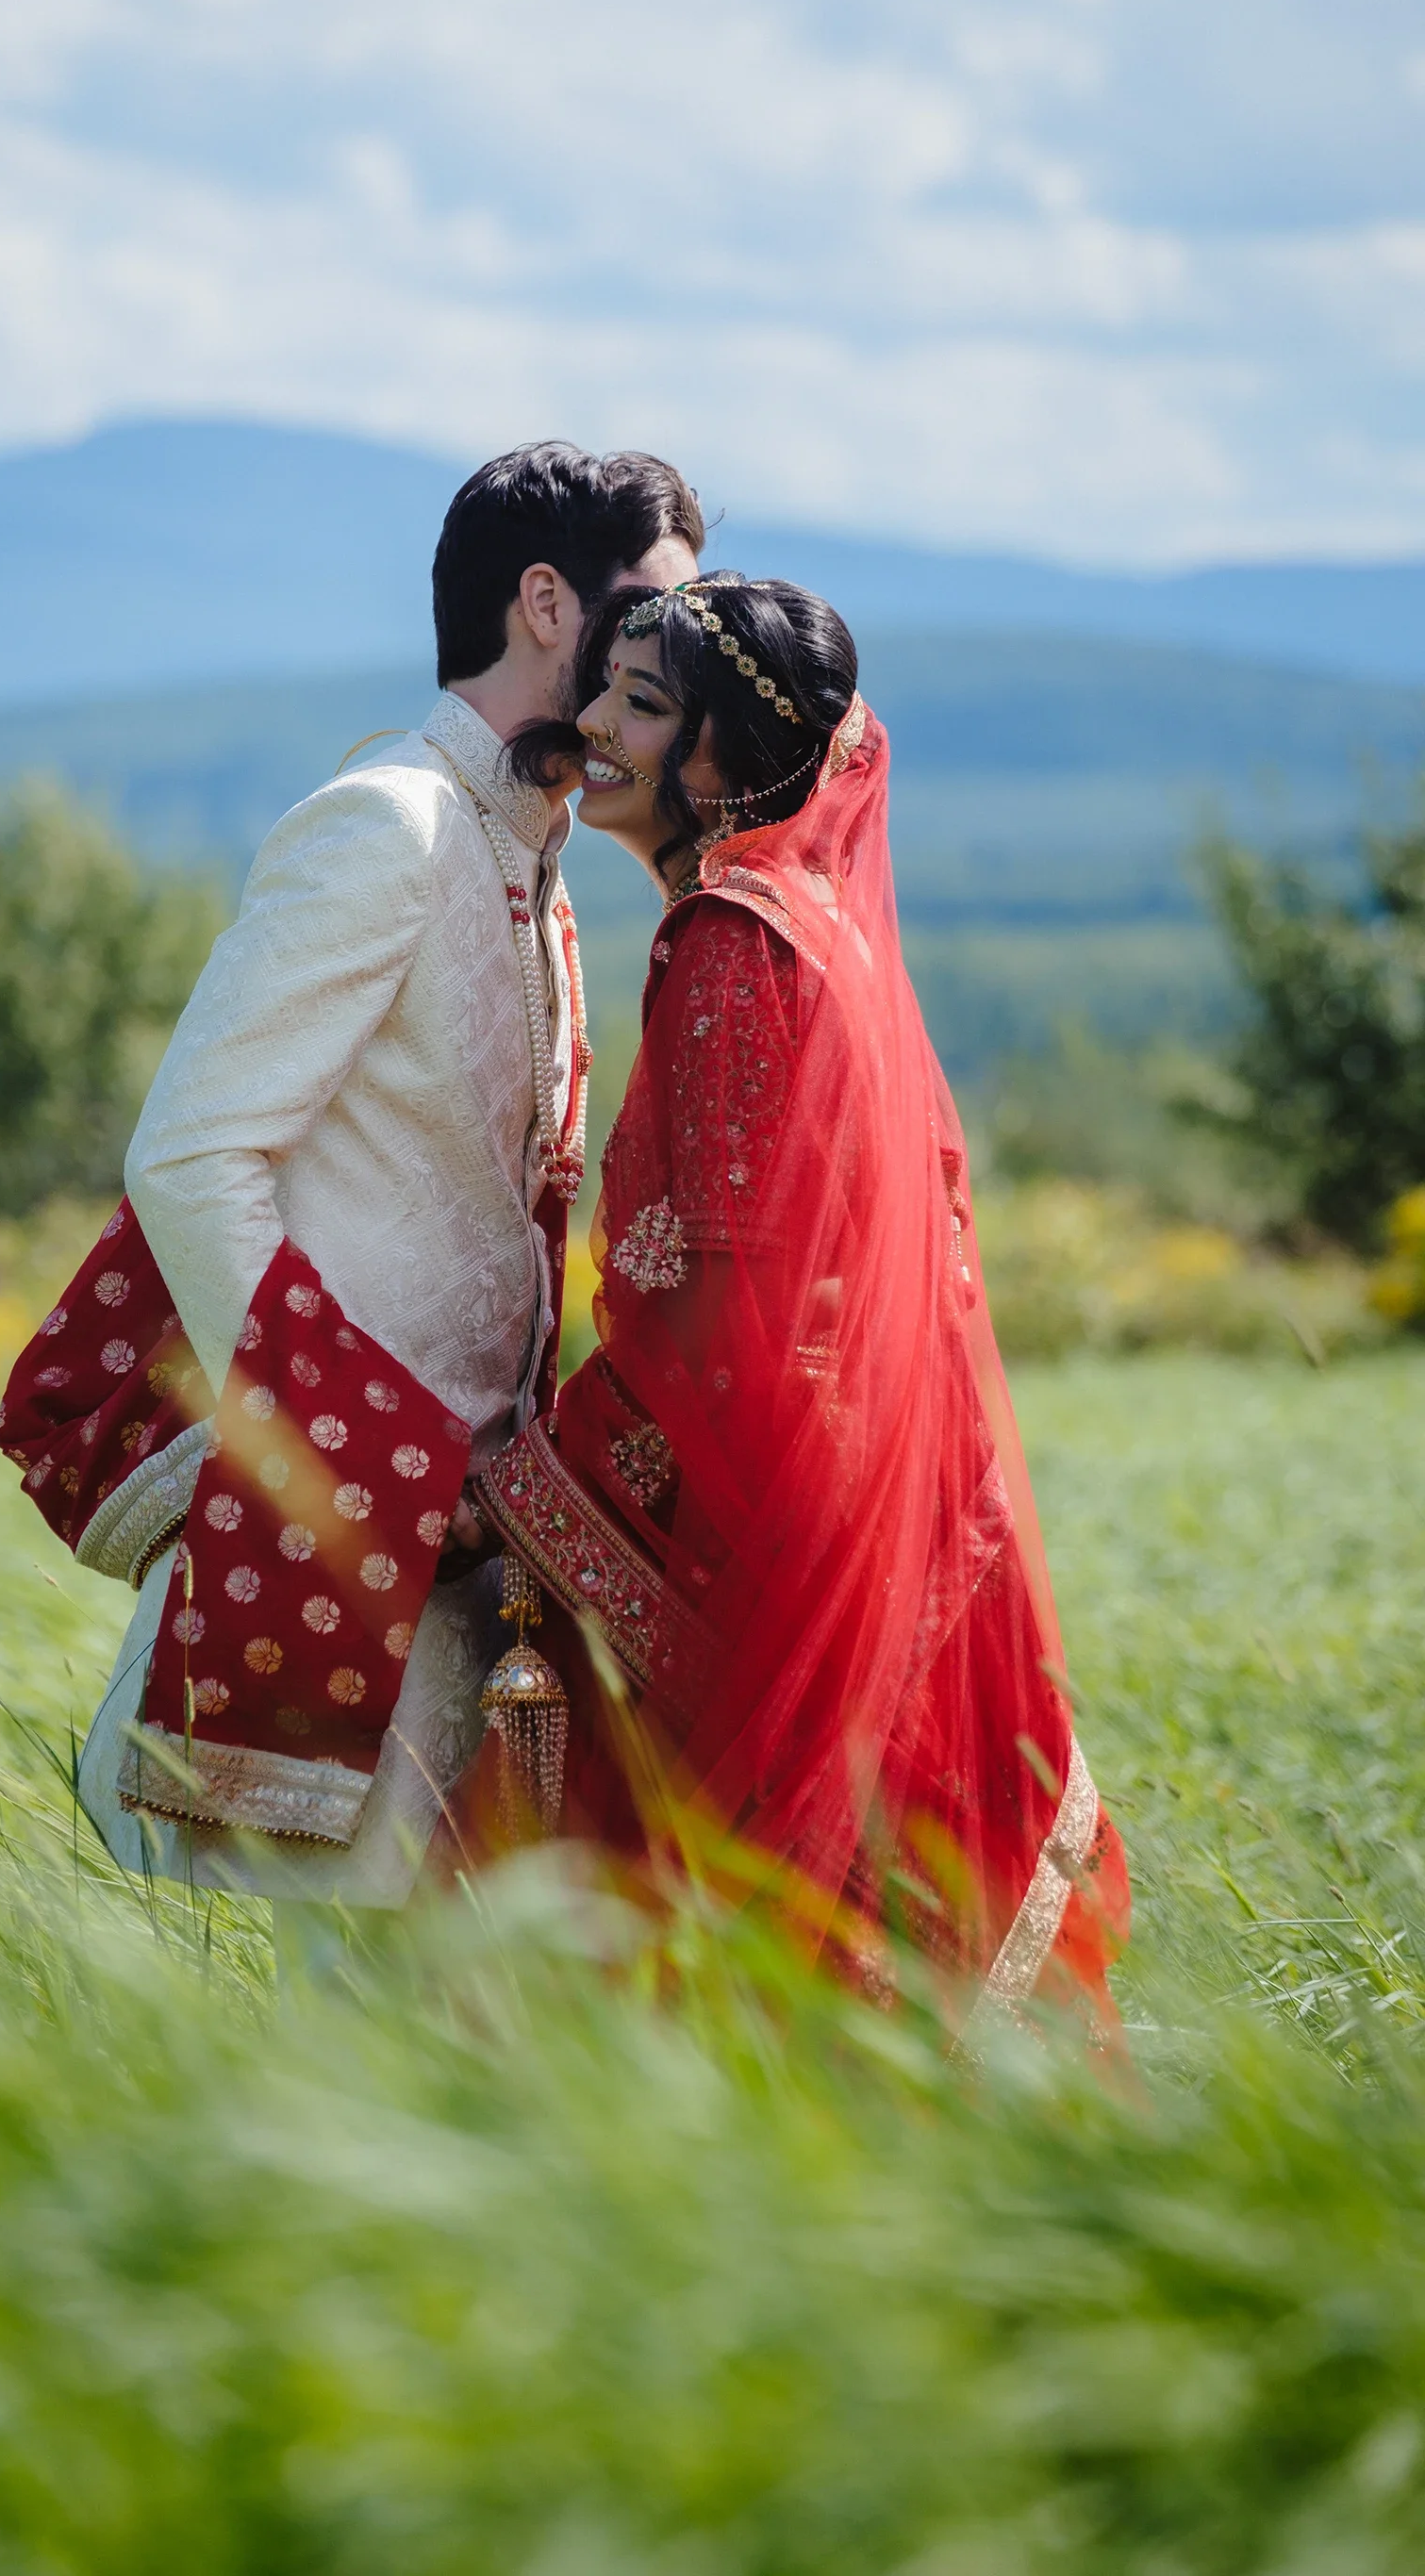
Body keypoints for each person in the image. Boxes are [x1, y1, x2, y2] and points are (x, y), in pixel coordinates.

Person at [0, 442, 703, 1929]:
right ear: (545, 607)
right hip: (340, 1533)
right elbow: (189, 1154)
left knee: (444, 2044)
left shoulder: (535, 855)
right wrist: (351, 1437)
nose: (675, 652)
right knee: (332, 2040)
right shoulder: (390, 823)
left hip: (466, 1560)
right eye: (652, 608)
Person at [454, 573, 1129, 2038]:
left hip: (753, 1501)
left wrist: (542, 1477)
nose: (594, 727)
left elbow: (725, 1290)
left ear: (723, 760)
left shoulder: (727, 947)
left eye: (642, 704)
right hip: (861, 1485)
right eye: (603, 691)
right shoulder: (814, 923)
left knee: (636, 1887)